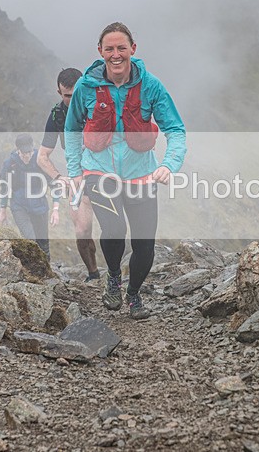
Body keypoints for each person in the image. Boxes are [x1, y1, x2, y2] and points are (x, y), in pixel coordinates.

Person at [64, 22, 187, 320]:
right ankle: (114, 278)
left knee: (145, 244)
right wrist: (75, 170)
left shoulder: (151, 85)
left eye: (121, 48)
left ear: (133, 49)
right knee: (115, 229)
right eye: (109, 49)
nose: (116, 55)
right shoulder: (86, 86)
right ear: (100, 52)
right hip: (98, 173)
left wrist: (169, 165)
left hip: (142, 176)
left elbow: (176, 130)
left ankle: (133, 294)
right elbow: (71, 129)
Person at [37, 68, 101, 282]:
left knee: (115, 227)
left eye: (76, 95)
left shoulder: (98, 106)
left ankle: (116, 275)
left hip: (105, 172)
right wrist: (57, 177)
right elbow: (42, 157)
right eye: (67, 96)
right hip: (77, 176)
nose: (72, 101)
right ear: (59, 92)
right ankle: (94, 275)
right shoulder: (57, 115)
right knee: (82, 229)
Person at [0, 133, 56, 259]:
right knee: (30, 240)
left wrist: (56, 209)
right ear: (18, 150)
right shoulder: (10, 164)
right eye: (24, 153)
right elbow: (4, 187)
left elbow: (54, 184)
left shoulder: (41, 161)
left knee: (43, 243)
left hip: (40, 206)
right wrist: (3, 210)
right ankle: (33, 271)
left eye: (29, 152)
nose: (27, 156)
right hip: (19, 206)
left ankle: (48, 271)